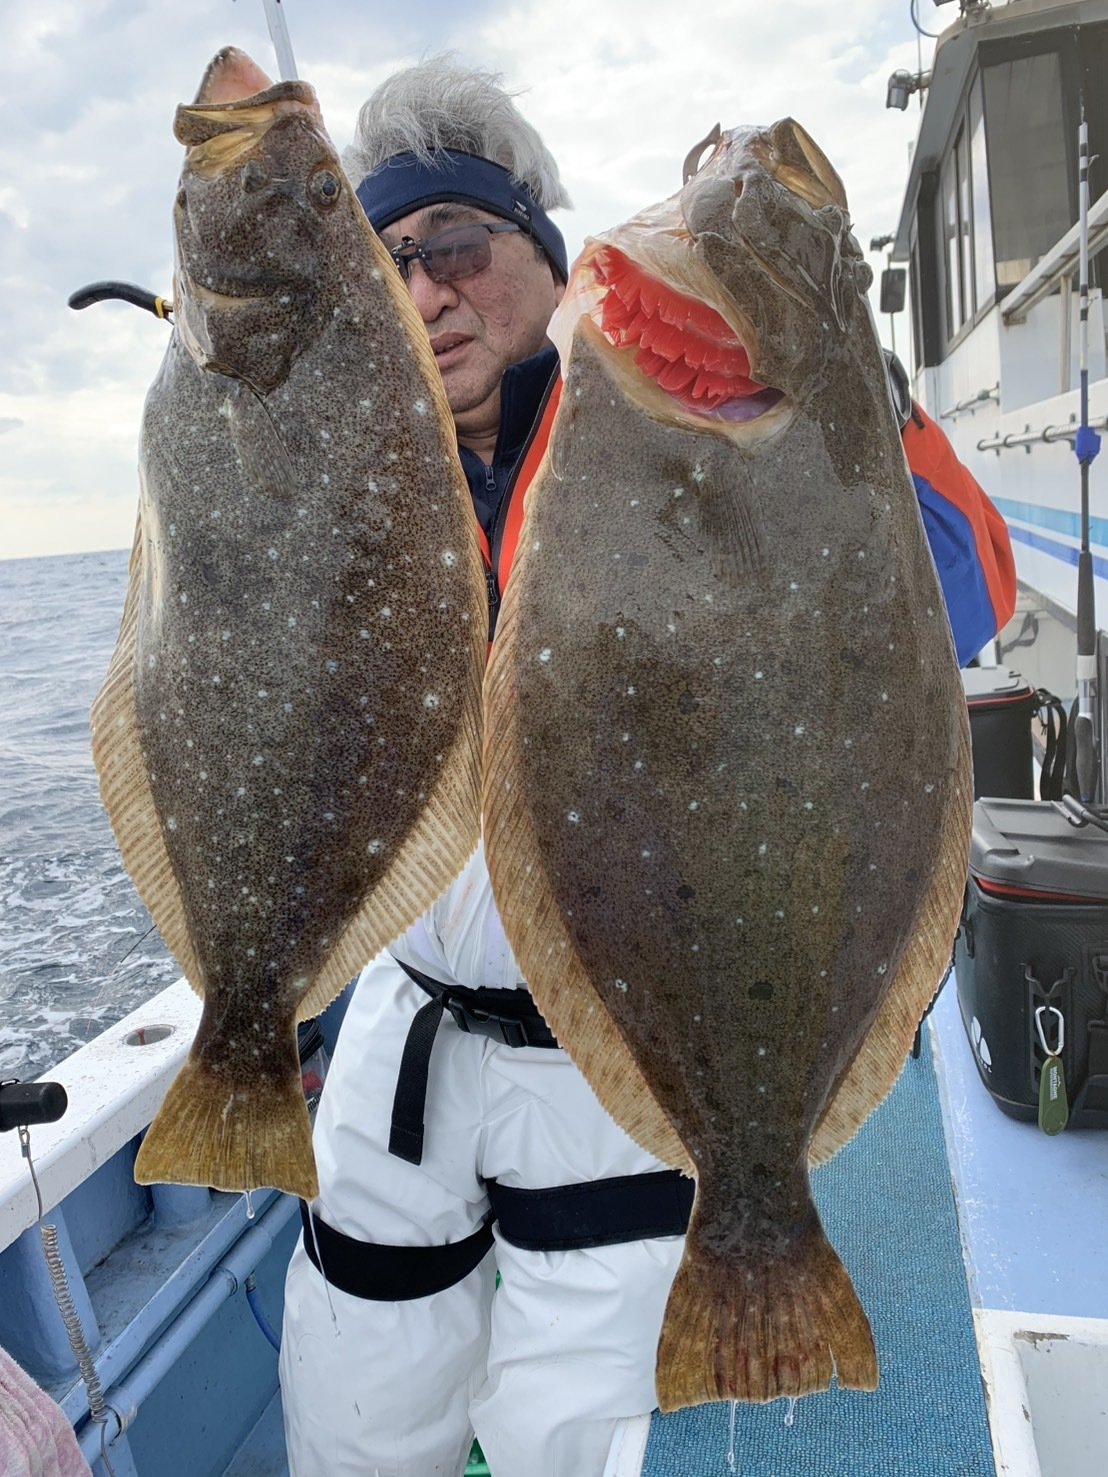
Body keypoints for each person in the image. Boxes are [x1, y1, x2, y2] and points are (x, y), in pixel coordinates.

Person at [278, 58, 1017, 1477]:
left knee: (574, 1430)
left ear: (545, 255)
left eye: (456, 246)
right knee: (354, 1401)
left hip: (618, 1054)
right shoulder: (348, 472)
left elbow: (971, 582)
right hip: (400, 1033)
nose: (425, 292)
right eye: (390, 264)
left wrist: (832, 361)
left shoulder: (657, 394)